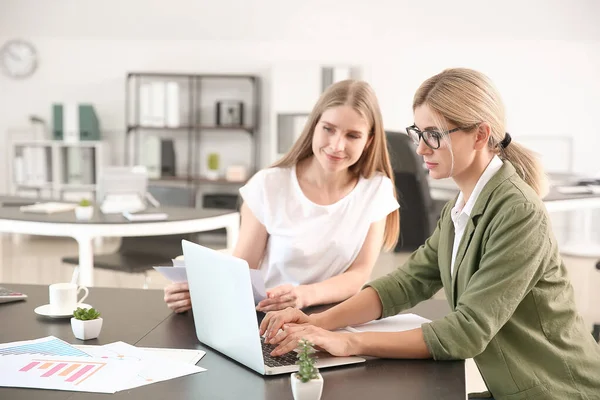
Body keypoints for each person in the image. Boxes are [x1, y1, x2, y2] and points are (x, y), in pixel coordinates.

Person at [259, 68, 600, 399]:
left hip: (560, 391)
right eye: (418, 133)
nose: (421, 149)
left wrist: (348, 342)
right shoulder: (461, 207)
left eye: (434, 135)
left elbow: (467, 331)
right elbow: (406, 283)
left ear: (480, 135)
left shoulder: (518, 212)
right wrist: (318, 323)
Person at [164, 79, 400, 314]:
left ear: (369, 140)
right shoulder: (269, 185)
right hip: (269, 318)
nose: (337, 145)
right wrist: (199, 291)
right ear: (314, 126)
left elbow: (359, 274)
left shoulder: (376, 190)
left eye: (352, 136)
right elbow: (243, 268)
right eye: (328, 129)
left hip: (333, 321)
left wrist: (303, 295)